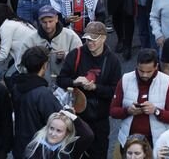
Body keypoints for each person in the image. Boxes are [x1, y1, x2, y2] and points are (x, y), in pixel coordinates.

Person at [57, 21, 124, 159]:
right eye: (87, 39)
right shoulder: (76, 54)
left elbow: (115, 91)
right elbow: (61, 80)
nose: (90, 42)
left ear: (104, 38)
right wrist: (74, 82)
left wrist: (95, 87)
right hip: (76, 118)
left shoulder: (112, 61)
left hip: (99, 119)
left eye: (94, 39)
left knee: (98, 154)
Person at [9, 46, 63, 159]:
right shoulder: (43, 94)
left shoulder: (16, 87)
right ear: (44, 65)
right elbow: (58, 120)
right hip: (38, 150)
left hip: (20, 147)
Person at [25, 5, 83, 84]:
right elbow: (21, 65)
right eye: (44, 22)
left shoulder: (71, 36)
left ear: (56, 19)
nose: (48, 26)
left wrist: (66, 55)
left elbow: (81, 60)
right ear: (39, 21)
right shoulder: (31, 39)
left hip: (65, 84)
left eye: (50, 21)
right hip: (39, 85)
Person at [23, 110, 95, 159]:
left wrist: (72, 116)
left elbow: (88, 135)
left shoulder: (70, 149)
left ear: (67, 133)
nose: (53, 133)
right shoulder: (35, 146)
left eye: (59, 131)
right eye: (51, 128)